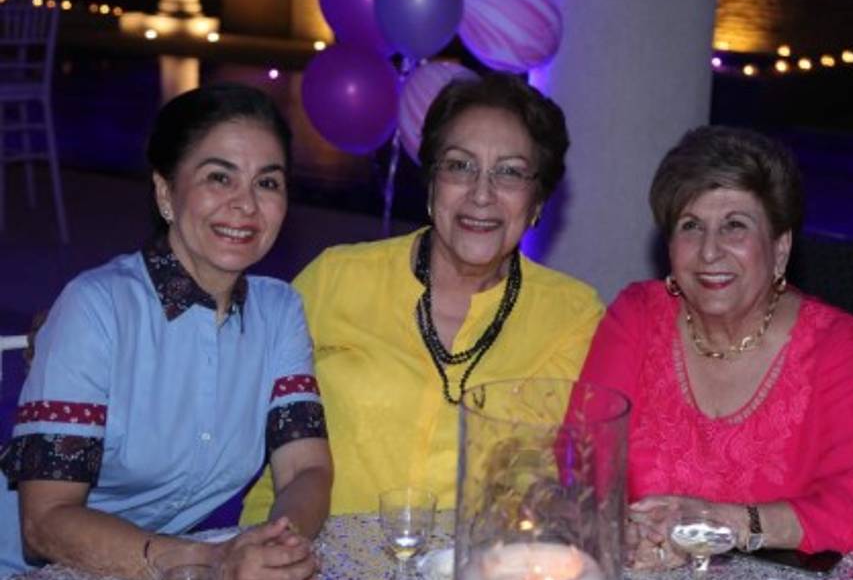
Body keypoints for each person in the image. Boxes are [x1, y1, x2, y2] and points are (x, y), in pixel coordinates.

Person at [0, 83, 332, 580]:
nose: (245, 204)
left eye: (267, 182)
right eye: (218, 177)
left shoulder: (278, 311)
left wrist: (277, 550)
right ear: (164, 193)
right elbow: (45, 522)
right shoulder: (97, 308)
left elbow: (307, 468)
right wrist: (213, 564)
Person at [240, 73, 603, 519]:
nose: (482, 194)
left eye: (509, 172)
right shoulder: (337, 279)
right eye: (459, 165)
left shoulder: (574, 317)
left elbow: (588, 467)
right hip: (304, 560)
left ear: (538, 202)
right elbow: (231, 406)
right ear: (431, 185)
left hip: (472, 574)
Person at [576, 126, 853, 567]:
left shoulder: (835, 345)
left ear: (779, 249)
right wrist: (620, 532)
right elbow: (582, 451)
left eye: (734, 226)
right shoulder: (636, 316)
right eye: (691, 227)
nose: (709, 252)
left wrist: (725, 523)